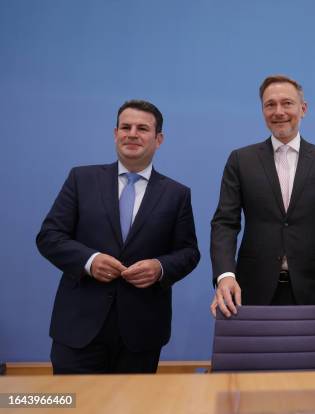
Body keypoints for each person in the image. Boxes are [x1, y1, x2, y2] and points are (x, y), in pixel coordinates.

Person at [36, 100, 200, 374]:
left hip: (141, 333)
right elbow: (49, 236)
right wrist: (89, 260)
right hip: (79, 329)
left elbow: (188, 252)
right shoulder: (81, 179)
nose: (132, 133)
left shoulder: (176, 194)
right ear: (115, 134)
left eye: (142, 128)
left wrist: (159, 268)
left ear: (158, 139)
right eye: (125, 127)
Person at [210, 75, 315, 323]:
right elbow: (225, 223)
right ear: (263, 110)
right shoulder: (240, 160)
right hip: (250, 291)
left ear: (303, 109)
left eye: (287, 103)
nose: (279, 111)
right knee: (255, 362)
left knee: (312, 362)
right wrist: (225, 275)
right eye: (270, 105)